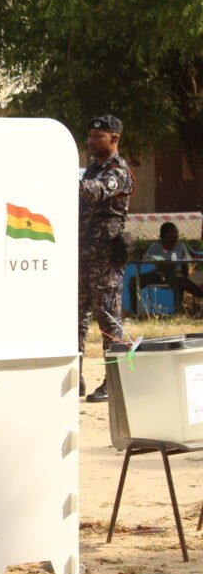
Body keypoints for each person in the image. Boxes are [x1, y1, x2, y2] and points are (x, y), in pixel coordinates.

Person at [78, 114, 135, 403]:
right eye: (89, 136)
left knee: (109, 324)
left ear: (114, 139)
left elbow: (94, 193)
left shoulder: (117, 171)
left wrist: (59, 175)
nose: (91, 140)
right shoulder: (90, 169)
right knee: (74, 321)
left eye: (98, 137)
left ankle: (115, 382)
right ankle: (73, 377)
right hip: (82, 260)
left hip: (105, 263)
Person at [138, 222, 203, 311]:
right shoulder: (156, 246)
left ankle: (178, 310)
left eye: (176, 232)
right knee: (135, 281)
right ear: (164, 234)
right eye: (172, 232)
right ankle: (136, 311)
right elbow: (147, 258)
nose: (175, 234)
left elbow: (187, 260)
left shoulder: (181, 246)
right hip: (159, 275)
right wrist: (158, 259)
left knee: (179, 281)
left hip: (176, 275)